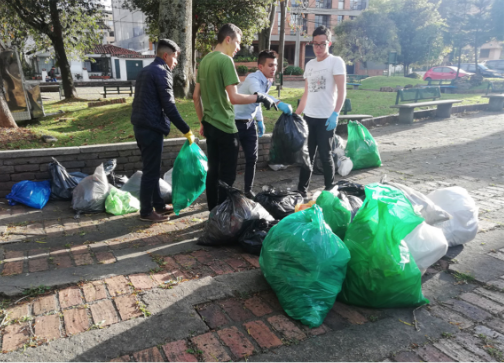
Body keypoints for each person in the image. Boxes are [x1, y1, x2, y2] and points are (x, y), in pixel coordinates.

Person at [193, 23, 278, 211]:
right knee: (227, 176)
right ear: (228, 39)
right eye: (238, 43)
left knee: (213, 171)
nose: (239, 48)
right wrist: (260, 97)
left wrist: (201, 122)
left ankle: (213, 213)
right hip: (225, 126)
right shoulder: (225, 61)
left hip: (209, 124)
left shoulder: (205, 60)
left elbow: (195, 96)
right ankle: (224, 216)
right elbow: (234, 97)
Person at [131, 38, 195, 222]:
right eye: (175, 58)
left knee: (153, 169)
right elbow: (169, 107)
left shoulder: (146, 71)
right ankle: (145, 212)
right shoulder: (161, 72)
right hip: (151, 128)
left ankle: (158, 204)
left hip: (141, 126)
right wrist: (186, 130)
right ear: (165, 56)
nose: (175, 62)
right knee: (150, 171)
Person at [295, 25, 346, 197]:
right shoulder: (309, 65)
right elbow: (307, 92)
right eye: (315, 44)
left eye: (322, 44)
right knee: (306, 155)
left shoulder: (336, 62)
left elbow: (342, 90)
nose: (318, 48)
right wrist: (297, 115)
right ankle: (301, 190)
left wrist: (335, 113)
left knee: (325, 155)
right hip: (309, 118)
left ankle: (329, 189)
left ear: (329, 43)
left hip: (326, 118)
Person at [233, 50, 293, 199]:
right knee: (230, 160)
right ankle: (229, 192)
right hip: (234, 122)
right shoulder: (252, 78)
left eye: (276, 65)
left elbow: (258, 102)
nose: (274, 68)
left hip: (249, 122)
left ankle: (247, 190)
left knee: (252, 158)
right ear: (260, 66)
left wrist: (259, 120)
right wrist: (279, 103)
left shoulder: (268, 80)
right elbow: (258, 95)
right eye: (270, 65)